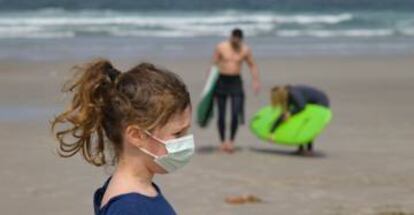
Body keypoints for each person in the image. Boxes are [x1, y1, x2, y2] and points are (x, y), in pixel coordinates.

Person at [51, 59, 194, 215]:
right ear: (136, 135)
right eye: (178, 133)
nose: (185, 141)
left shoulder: (140, 191)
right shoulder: (129, 208)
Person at [212, 28, 261, 153]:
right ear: (231, 37)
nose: (235, 42)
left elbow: (252, 65)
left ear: (240, 40)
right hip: (221, 81)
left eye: (238, 41)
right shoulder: (221, 47)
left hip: (236, 82)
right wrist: (209, 86)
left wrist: (255, 81)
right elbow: (214, 65)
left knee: (235, 113)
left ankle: (231, 141)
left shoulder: (245, 50)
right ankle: (223, 142)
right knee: (221, 115)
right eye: (233, 39)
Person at [270, 85, 330, 155]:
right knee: (297, 119)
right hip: (307, 102)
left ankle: (309, 149)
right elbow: (283, 115)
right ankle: (301, 148)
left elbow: (301, 106)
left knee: (307, 123)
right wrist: (272, 132)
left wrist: (290, 113)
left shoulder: (294, 94)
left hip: (321, 102)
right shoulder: (287, 96)